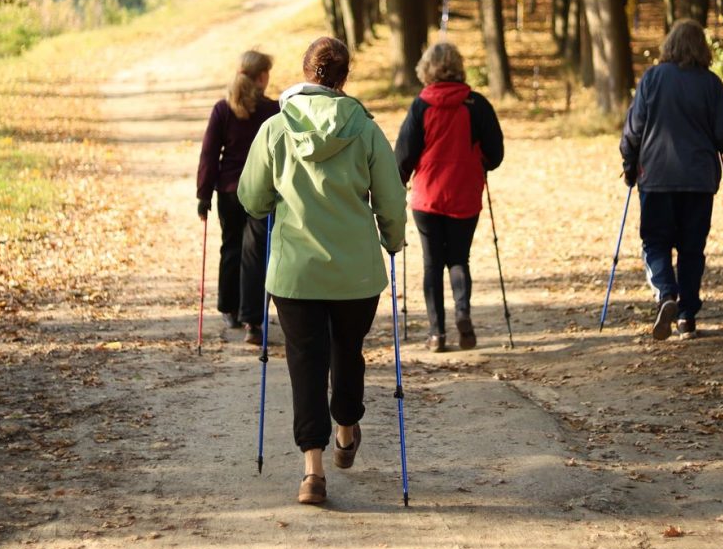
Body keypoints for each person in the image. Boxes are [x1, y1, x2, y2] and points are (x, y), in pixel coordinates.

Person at [238, 36, 406, 505]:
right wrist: (392, 239)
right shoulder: (366, 129)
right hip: (355, 273)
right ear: (343, 78)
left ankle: (312, 472)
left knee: (305, 363)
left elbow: (251, 198)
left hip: (295, 272)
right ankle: (347, 427)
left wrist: (278, 197)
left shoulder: (275, 129)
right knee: (347, 350)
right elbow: (390, 198)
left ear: (306, 72)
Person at [619, 19, 723, 341]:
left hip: (657, 177)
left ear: (669, 45)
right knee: (691, 249)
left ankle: (665, 294)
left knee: (655, 241)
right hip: (699, 181)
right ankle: (687, 317)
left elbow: (634, 127)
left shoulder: (653, 79)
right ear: (702, 48)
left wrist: (629, 162)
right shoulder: (711, 84)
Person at [394, 42, 504, 353]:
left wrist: (397, 184)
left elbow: (403, 156)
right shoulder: (477, 104)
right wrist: (478, 162)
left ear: (426, 69)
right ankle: (463, 317)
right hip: (464, 193)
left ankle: (436, 334)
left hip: (427, 196)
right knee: (459, 258)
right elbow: (495, 154)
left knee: (432, 264)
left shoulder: (421, 106)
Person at [196, 50, 279, 346]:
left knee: (231, 246)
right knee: (256, 253)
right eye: (267, 73)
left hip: (229, 191)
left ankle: (229, 308)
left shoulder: (223, 109)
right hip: (260, 191)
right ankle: (252, 322)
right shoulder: (273, 110)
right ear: (260, 77)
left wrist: (203, 195)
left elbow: (209, 154)